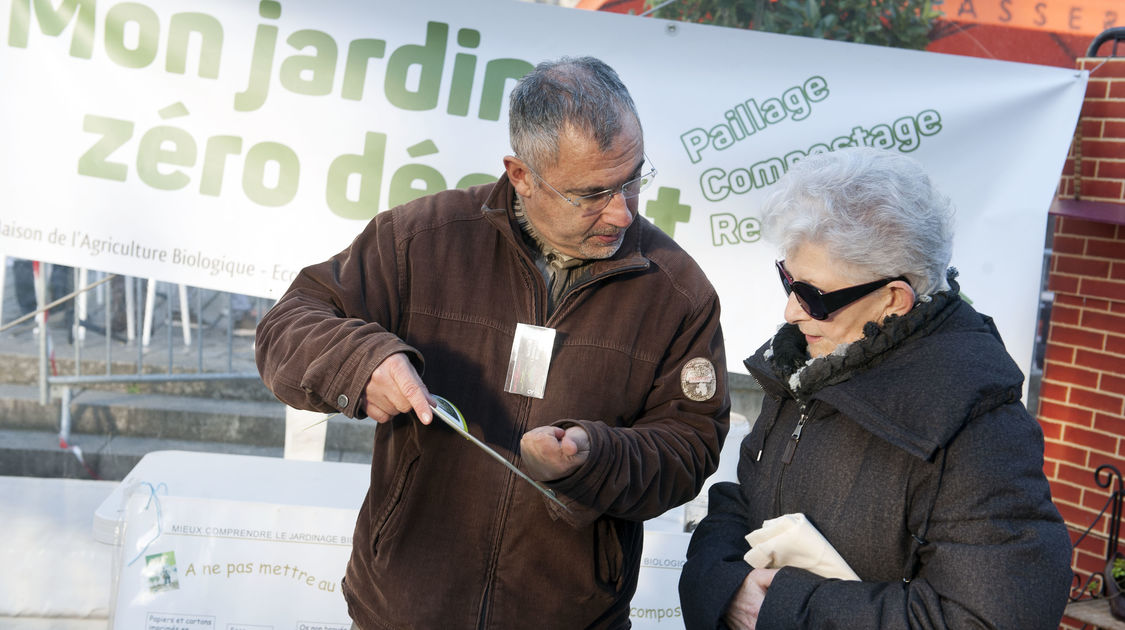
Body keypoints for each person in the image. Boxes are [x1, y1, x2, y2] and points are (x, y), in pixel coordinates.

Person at [256, 56, 730, 629]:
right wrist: (361, 364)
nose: (622, 211)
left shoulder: (677, 290)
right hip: (403, 611)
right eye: (592, 193)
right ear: (521, 174)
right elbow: (289, 323)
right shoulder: (421, 240)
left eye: (632, 179)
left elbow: (692, 443)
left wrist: (590, 456)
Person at [678, 147, 1072, 630]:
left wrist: (780, 611)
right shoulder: (807, 365)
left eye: (815, 296)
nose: (791, 311)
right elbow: (745, 501)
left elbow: (995, 617)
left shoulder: (978, 426)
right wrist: (724, 588)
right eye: (788, 280)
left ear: (893, 299)